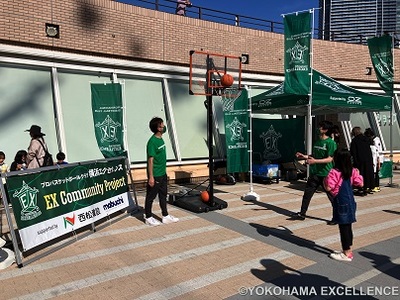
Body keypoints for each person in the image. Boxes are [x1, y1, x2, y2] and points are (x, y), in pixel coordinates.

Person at [291, 120, 337, 224]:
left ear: (326, 130)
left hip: (326, 175)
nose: (318, 129)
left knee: (331, 197)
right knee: (307, 195)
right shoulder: (317, 141)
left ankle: (336, 217)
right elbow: (314, 156)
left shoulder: (331, 143)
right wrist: (304, 156)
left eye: (321, 127)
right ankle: (302, 213)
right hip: (314, 173)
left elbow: (330, 159)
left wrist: (314, 161)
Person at [324, 148, 363, 261]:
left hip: (341, 202)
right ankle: (348, 249)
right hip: (351, 202)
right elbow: (360, 183)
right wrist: (359, 174)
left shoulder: (334, 172)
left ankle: (346, 253)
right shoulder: (352, 171)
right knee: (348, 226)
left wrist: (325, 180)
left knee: (343, 228)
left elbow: (328, 187)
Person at [144, 117, 179, 226]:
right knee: (150, 197)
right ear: (157, 128)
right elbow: (150, 161)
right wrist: (151, 177)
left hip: (163, 174)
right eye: (161, 125)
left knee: (163, 195)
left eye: (162, 124)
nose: (163, 126)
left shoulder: (160, 137)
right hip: (155, 175)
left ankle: (165, 216)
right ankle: (148, 217)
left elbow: (166, 127)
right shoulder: (152, 142)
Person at [350, 127, 374, 196]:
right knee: (368, 173)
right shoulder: (366, 139)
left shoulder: (355, 141)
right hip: (368, 159)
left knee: (360, 174)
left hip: (359, 160)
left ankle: (361, 188)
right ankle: (368, 187)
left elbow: (353, 152)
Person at [364, 128, 383, 192]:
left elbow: (378, 152)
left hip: (377, 159)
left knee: (376, 173)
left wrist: (379, 162)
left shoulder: (375, 141)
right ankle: (373, 186)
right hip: (376, 158)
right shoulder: (375, 139)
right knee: (374, 173)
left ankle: (376, 186)